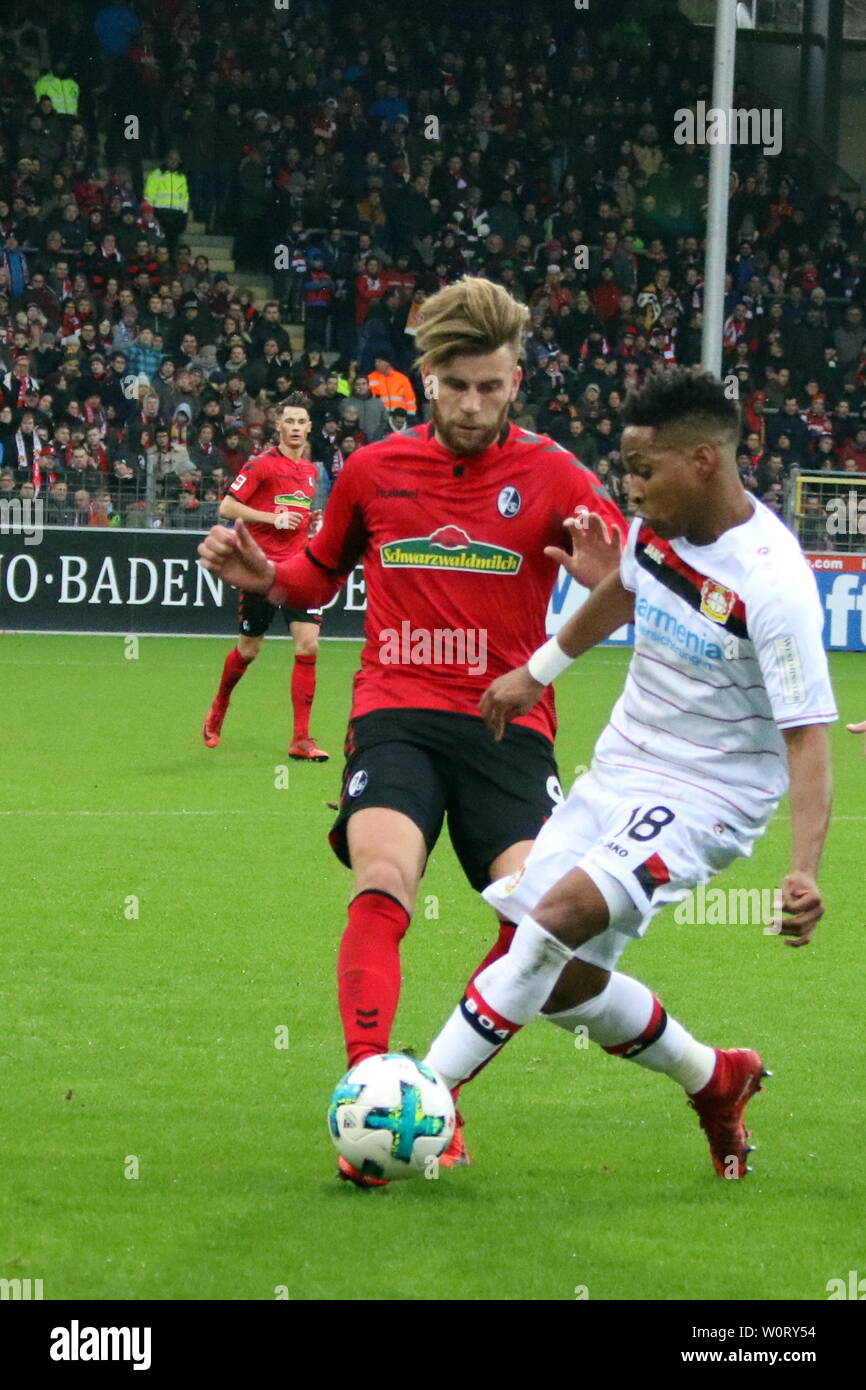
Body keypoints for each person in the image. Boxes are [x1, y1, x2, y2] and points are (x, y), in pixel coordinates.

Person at [197, 276, 626, 1185]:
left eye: (493, 388)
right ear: (426, 378)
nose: (474, 405)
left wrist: (603, 578)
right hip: (394, 711)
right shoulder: (372, 470)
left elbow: (633, 585)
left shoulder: (557, 474)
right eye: (458, 386)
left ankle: (436, 1089)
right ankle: (369, 1090)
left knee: (543, 923)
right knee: (384, 875)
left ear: (518, 382)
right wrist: (261, 572)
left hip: (511, 725)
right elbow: (315, 577)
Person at [423, 368, 837, 1182]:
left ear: (704, 462)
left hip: (708, 797)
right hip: (620, 766)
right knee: (557, 981)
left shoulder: (773, 583)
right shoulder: (657, 531)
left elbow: (807, 738)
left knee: (554, 922)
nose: (631, 487)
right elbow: (621, 589)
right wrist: (537, 672)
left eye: (644, 470)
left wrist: (803, 870)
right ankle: (718, 1079)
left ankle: (423, 1098)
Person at [201, 394, 328, 761]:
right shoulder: (261, 465)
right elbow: (227, 506)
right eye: (288, 422)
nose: (295, 428)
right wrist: (272, 518)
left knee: (309, 646)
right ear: (278, 427)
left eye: (301, 422)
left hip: (300, 570)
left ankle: (301, 739)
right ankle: (220, 703)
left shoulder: (311, 470)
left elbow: (300, 514)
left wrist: (312, 527)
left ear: (309, 428)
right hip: (262, 571)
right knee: (249, 649)